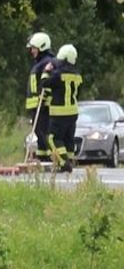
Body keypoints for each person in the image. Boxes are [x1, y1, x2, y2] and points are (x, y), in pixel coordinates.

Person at [40, 43, 82, 172]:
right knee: (68, 139)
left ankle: (64, 163)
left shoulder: (58, 75)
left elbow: (44, 83)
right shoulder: (78, 75)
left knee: (53, 138)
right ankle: (70, 161)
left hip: (59, 113)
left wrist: (46, 71)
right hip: (73, 112)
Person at [25, 31, 55, 163]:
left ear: (42, 47)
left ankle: (50, 157)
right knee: (40, 133)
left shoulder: (48, 63)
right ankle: (43, 157)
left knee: (44, 133)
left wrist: (43, 100)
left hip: (43, 106)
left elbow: (47, 83)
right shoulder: (40, 63)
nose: (32, 51)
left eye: (34, 48)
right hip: (37, 105)